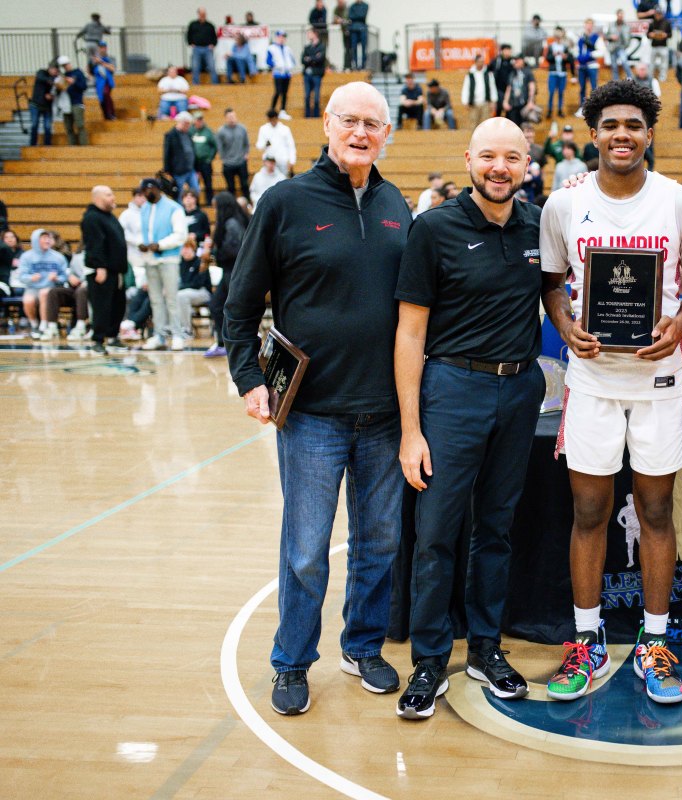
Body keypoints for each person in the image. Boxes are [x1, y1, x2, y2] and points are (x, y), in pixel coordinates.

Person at [223, 82, 411, 717]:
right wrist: (249, 377)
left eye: (373, 123)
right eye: (350, 121)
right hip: (310, 415)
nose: (361, 132)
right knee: (305, 549)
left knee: (380, 543)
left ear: (387, 133)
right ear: (327, 126)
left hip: (386, 414)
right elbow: (242, 304)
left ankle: (360, 646)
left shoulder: (396, 205)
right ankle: (292, 660)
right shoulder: (285, 202)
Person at [539, 80, 682, 706]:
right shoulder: (563, 205)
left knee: (658, 512)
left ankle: (654, 641)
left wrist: (679, 325)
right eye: (610, 124)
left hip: (660, 380)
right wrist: (564, 326)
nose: (621, 134)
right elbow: (551, 284)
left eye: (634, 125)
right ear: (592, 132)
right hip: (592, 380)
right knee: (589, 513)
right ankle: (586, 642)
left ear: (649, 133)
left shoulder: (680, 202)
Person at [393, 116, 543, 719]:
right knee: (437, 532)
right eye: (488, 156)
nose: (499, 167)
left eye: (512, 157)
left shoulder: (540, 225)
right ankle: (430, 659)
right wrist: (411, 429)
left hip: (519, 390)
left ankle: (484, 647)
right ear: (468, 159)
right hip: (452, 389)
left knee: (497, 529)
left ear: (527, 163)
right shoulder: (433, 229)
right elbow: (408, 333)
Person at [136, 177, 187, 351]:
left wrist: (161, 245)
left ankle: (178, 335)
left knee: (172, 299)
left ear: (158, 189)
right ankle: (159, 335)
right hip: (150, 260)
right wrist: (142, 244)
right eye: (145, 191)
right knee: (155, 300)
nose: (148, 194)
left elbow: (181, 235)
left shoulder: (174, 208)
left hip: (169, 259)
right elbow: (140, 232)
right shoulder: (144, 209)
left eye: (151, 190)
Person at [80, 186, 127, 353]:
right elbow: (95, 244)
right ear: (98, 198)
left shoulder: (109, 217)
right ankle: (97, 340)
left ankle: (113, 336)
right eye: (109, 195)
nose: (113, 197)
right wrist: (99, 266)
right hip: (102, 270)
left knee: (118, 305)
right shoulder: (92, 218)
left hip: (115, 270)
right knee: (102, 306)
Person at [205, 191, 247, 358]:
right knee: (216, 305)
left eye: (216, 208)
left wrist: (215, 252)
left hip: (234, 272)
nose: (215, 211)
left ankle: (236, 343)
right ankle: (223, 343)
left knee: (232, 309)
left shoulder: (232, 224)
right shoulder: (234, 221)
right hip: (230, 271)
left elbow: (235, 250)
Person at [18, 229, 68, 340]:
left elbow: (65, 276)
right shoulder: (26, 256)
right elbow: (21, 276)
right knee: (28, 300)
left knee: (44, 293)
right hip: (32, 287)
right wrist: (31, 278)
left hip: (51, 288)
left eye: (48, 238)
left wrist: (57, 278)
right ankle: (34, 324)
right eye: (44, 238)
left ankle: (44, 325)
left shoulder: (58, 257)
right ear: (36, 240)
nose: (47, 241)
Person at [175, 240, 211, 340]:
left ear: (193, 249)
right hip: (186, 291)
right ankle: (171, 327)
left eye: (187, 248)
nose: (185, 251)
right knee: (171, 294)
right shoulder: (180, 263)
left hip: (203, 292)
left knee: (181, 295)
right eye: (183, 248)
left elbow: (197, 284)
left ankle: (187, 330)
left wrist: (180, 287)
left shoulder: (200, 262)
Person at [163, 112, 199, 201]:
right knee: (179, 193)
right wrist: (168, 170)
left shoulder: (188, 134)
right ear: (182, 122)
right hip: (178, 170)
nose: (188, 126)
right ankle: (180, 212)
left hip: (190, 169)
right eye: (187, 124)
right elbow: (167, 153)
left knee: (196, 190)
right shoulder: (171, 135)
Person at [218, 108, 251, 200]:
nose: (232, 119)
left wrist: (246, 154)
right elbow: (220, 147)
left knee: (244, 185)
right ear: (225, 118)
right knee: (230, 187)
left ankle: (247, 203)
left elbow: (246, 143)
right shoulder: (221, 131)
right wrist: (224, 159)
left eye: (233, 116)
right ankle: (232, 205)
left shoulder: (242, 128)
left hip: (241, 162)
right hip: (228, 164)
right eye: (229, 117)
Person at [267, 30, 297, 120]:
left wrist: (290, 67)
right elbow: (268, 60)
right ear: (277, 37)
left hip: (287, 73)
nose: (282, 39)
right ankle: (272, 110)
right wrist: (275, 65)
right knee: (278, 91)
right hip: (278, 73)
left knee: (285, 92)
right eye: (280, 37)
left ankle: (282, 110)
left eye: (283, 37)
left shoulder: (287, 49)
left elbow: (292, 60)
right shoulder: (271, 48)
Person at [58, 58, 88, 146]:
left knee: (80, 125)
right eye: (63, 66)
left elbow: (84, 86)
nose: (66, 67)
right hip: (66, 103)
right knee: (68, 127)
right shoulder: (63, 76)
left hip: (77, 102)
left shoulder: (78, 73)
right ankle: (72, 146)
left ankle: (84, 146)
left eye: (66, 64)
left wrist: (74, 82)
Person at [256, 109, 297, 175]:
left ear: (277, 118)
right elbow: (259, 146)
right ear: (268, 119)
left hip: (282, 160)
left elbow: (291, 145)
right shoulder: (263, 129)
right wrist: (265, 144)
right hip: (269, 161)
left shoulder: (285, 129)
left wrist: (292, 160)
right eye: (271, 120)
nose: (273, 122)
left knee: (282, 182)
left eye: (274, 120)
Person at [462, 54, 497, 130]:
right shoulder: (470, 75)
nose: (481, 63)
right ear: (475, 62)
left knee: (486, 124)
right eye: (479, 61)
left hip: (485, 103)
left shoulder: (488, 74)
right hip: (474, 103)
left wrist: (493, 101)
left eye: (482, 61)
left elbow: (492, 87)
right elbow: (466, 88)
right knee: (474, 124)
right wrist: (465, 101)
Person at [191, 112, 218, 206]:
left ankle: (209, 202)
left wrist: (210, 158)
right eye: (198, 120)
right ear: (194, 121)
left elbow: (214, 146)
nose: (200, 121)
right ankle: (196, 203)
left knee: (208, 183)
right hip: (194, 163)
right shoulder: (190, 131)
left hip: (205, 162)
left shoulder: (208, 131)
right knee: (194, 184)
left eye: (201, 119)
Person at [502, 55, 537, 127]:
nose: (515, 62)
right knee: (513, 127)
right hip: (513, 105)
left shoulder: (528, 72)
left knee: (524, 127)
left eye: (517, 60)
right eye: (515, 61)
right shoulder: (512, 73)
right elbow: (508, 88)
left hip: (524, 105)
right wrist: (505, 101)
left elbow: (532, 87)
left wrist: (531, 101)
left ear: (522, 61)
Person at [187, 8, 219, 85]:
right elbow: (188, 35)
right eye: (201, 14)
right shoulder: (193, 24)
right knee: (195, 67)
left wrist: (213, 44)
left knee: (211, 66)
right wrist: (190, 43)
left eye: (204, 14)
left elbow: (214, 36)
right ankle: (196, 83)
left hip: (207, 49)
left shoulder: (210, 25)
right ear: (198, 14)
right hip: (196, 48)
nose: (202, 15)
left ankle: (215, 83)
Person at [302, 28, 327, 119]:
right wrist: (314, 58)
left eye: (309, 33)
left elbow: (320, 59)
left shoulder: (321, 46)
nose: (308, 35)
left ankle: (316, 115)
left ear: (315, 34)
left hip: (317, 74)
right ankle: (307, 115)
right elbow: (303, 60)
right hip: (307, 75)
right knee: (307, 96)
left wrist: (309, 59)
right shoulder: (307, 47)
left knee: (316, 97)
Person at [577, 20, 602, 109]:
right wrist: (579, 57)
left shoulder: (596, 38)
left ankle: (594, 108)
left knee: (594, 87)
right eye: (587, 24)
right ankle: (582, 107)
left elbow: (601, 51)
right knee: (582, 87)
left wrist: (590, 55)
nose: (589, 27)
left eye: (591, 25)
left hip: (592, 65)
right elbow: (576, 50)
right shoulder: (581, 38)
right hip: (581, 66)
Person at [89, 42, 117, 121]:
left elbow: (112, 69)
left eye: (104, 47)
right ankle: (106, 115)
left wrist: (101, 62)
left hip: (107, 81)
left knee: (106, 93)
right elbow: (89, 69)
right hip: (98, 82)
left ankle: (110, 113)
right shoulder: (94, 59)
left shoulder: (110, 58)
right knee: (101, 98)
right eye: (100, 47)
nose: (102, 49)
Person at [647, 8, 672, 83]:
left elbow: (670, 35)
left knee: (664, 63)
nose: (657, 15)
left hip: (663, 46)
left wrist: (665, 35)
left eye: (659, 13)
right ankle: (650, 77)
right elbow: (647, 34)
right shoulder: (652, 23)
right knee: (651, 63)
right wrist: (650, 35)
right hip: (654, 46)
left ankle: (663, 78)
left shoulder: (667, 23)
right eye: (656, 14)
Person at [606, 9, 633, 81]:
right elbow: (606, 36)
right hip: (612, 48)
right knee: (614, 66)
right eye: (619, 15)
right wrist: (611, 37)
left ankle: (630, 78)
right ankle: (615, 80)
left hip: (621, 47)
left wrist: (626, 46)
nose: (620, 17)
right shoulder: (611, 25)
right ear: (617, 15)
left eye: (622, 15)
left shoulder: (627, 26)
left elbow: (629, 38)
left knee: (625, 62)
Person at [347, 0, 369, 70]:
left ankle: (363, 65)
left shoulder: (365, 5)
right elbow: (350, 16)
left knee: (363, 48)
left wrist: (355, 16)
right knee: (354, 48)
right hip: (353, 30)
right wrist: (357, 16)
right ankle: (355, 65)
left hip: (362, 29)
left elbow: (362, 15)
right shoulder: (352, 6)